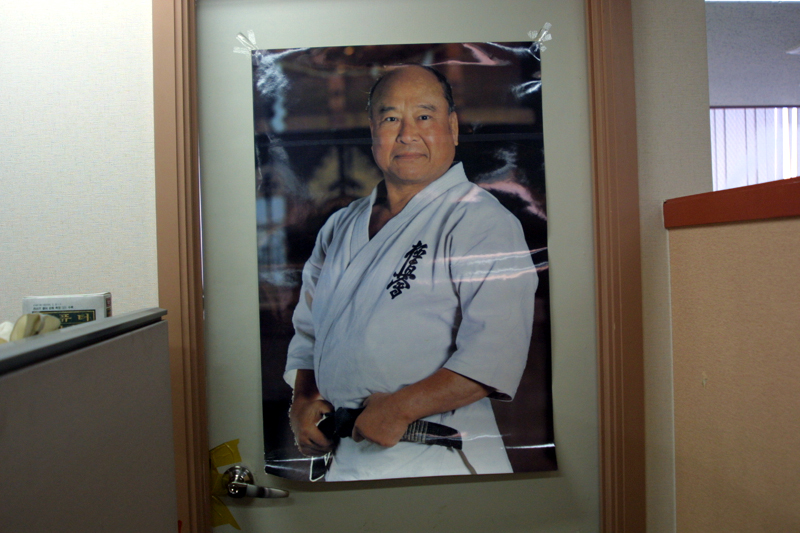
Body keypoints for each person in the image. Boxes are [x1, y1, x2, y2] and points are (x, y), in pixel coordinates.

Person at [284, 64, 537, 481]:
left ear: (452, 127)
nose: (407, 134)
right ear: (372, 131)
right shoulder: (341, 225)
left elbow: (496, 350)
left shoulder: (481, 220)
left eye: (423, 116)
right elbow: (309, 330)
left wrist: (402, 408)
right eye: (390, 119)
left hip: (436, 452)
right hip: (346, 455)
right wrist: (303, 399)